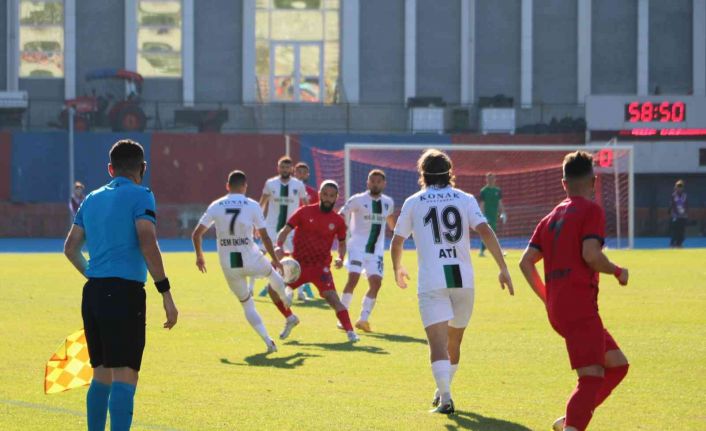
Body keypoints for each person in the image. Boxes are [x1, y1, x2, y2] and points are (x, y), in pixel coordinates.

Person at [63, 139, 178, 431]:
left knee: (101, 374)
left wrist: (94, 274)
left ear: (110, 169)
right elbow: (147, 240)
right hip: (124, 294)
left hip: (94, 294)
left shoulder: (90, 198)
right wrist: (165, 291)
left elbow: (70, 248)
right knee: (126, 375)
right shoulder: (142, 195)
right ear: (143, 168)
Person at [391, 149, 513, 414]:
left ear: (422, 174)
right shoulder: (465, 198)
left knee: (437, 344)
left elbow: (397, 240)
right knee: (454, 342)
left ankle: (445, 397)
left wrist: (397, 268)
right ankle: (442, 390)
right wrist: (503, 267)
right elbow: (485, 230)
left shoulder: (414, 201)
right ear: (450, 172)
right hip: (462, 279)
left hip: (432, 279)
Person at [519, 151, 630, 431]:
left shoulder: (550, 218)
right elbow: (591, 254)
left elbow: (525, 262)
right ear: (593, 182)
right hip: (580, 307)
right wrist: (618, 271)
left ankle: (569, 421)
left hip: (559, 308)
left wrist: (548, 297)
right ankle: (573, 426)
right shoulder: (591, 210)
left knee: (617, 365)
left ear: (563, 183)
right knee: (591, 377)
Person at [191, 170, 290, 353]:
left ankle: (268, 341)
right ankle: (286, 300)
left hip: (230, 262)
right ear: (245, 186)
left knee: (247, 303)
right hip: (250, 257)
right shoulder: (252, 205)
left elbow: (196, 234)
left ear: (227, 186)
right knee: (272, 273)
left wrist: (200, 256)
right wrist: (275, 259)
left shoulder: (216, 205)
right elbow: (266, 237)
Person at [268, 180, 360, 343]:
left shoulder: (338, 221)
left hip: (320, 268)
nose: (327, 198)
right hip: (298, 267)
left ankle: (350, 332)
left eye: (331, 196)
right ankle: (290, 318)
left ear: (336, 198)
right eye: (325, 194)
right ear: (319, 194)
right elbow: (284, 231)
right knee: (272, 289)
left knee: (333, 299)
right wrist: (278, 246)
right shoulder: (303, 212)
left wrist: (340, 257)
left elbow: (342, 243)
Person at [339, 169, 396, 332]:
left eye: (379, 181)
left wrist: (402, 233)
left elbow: (391, 222)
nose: (375, 184)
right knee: (353, 279)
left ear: (384, 184)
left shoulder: (388, 202)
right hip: (357, 247)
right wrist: (341, 229)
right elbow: (342, 213)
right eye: (372, 181)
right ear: (367, 182)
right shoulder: (358, 199)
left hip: (376, 251)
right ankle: (342, 317)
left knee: (376, 283)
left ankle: (363, 319)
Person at [257, 156, 308, 298]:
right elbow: (262, 204)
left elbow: (305, 206)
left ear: (292, 169)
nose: (284, 169)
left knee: (298, 258)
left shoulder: (298, 185)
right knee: (260, 255)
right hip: (271, 227)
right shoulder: (270, 183)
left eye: (287, 167)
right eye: (282, 167)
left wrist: (307, 225)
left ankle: (300, 291)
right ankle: (250, 288)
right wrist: (256, 224)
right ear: (278, 168)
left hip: (291, 229)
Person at [293, 161, 318, 300]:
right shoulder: (285, 188)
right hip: (287, 228)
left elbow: (315, 212)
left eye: (304, 172)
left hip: (304, 230)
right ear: (294, 172)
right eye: (298, 171)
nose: (301, 174)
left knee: (302, 259)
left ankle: (301, 291)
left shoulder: (313, 193)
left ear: (308, 175)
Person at [478, 172, 506, 257]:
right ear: (486, 180)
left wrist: (503, 213)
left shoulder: (498, 191)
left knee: (490, 233)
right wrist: (482, 215)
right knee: (490, 233)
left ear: (495, 179)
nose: (490, 180)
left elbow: (500, 203)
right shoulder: (483, 191)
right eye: (489, 179)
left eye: (492, 178)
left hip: (495, 215)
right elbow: (482, 204)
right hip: (487, 216)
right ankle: (496, 251)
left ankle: (482, 251)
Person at [669, 179, 688, 247]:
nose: (679, 188)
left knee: (682, 231)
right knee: (675, 231)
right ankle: (672, 244)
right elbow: (672, 205)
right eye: (678, 186)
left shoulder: (684, 195)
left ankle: (679, 244)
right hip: (675, 216)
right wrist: (674, 213)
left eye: (681, 186)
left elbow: (686, 205)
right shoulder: (674, 195)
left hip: (683, 216)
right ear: (675, 187)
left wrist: (685, 213)